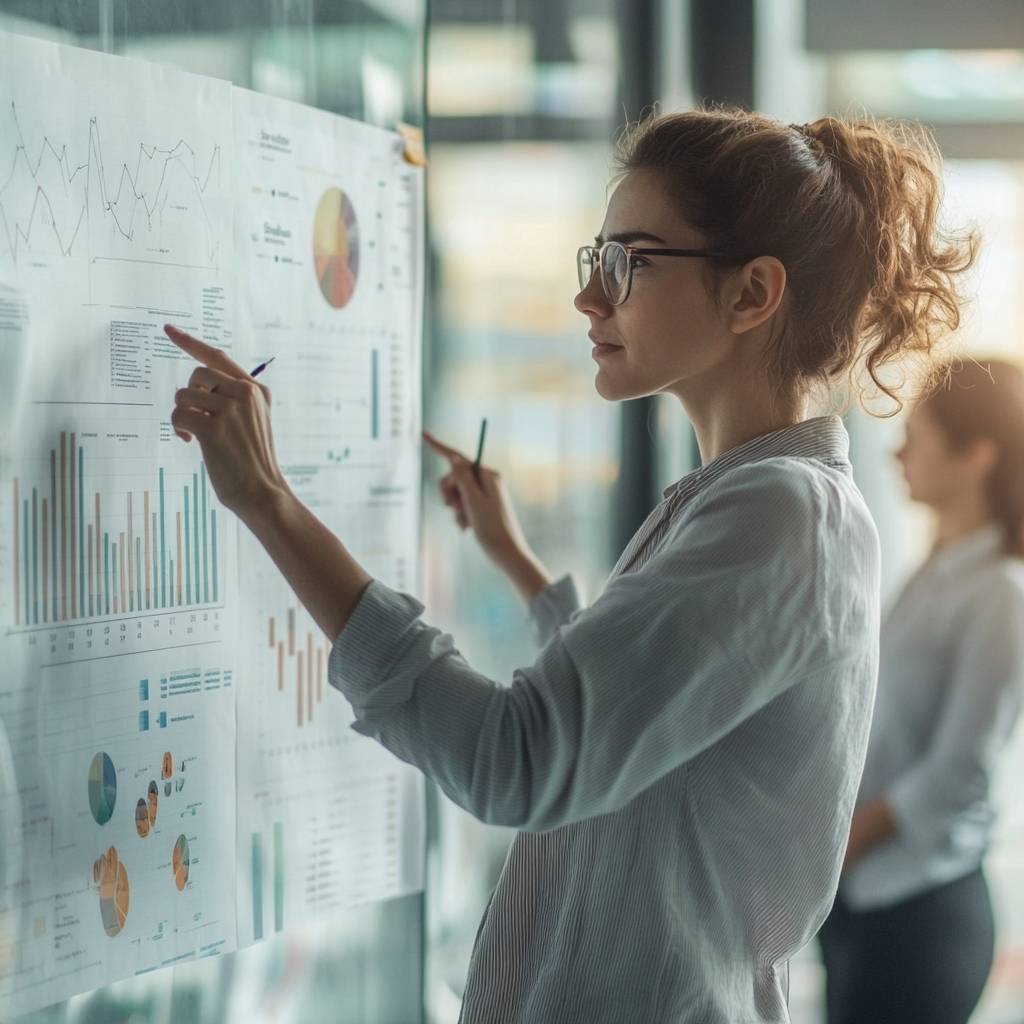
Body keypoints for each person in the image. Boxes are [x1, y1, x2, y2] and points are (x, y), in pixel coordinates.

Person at [165, 107, 976, 1023]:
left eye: (627, 262)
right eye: (596, 262)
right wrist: (518, 564)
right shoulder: (746, 499)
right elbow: (647, 725)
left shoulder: (782, 512)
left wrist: (268, 502)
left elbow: (520, 759)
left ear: (751, 294)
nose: (591, 299)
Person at [819, 358, 1024, 1024]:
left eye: (919, 435)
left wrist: (837, 844)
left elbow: (958, 772)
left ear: (976, 457)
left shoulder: (998, 595)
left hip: (923, 915)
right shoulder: (933, 571)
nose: (900, 451)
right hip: (866, 899)